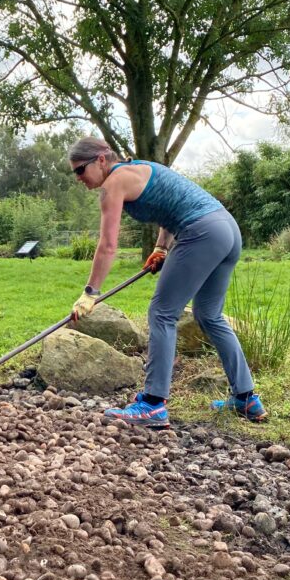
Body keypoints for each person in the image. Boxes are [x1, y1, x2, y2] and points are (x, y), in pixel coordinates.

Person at [67, 136, 267, 429]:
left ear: (100, 160)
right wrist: (161, 247)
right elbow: (169, 207)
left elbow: (108, 245)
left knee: (162, 313)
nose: (78, 179)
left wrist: (90, 293)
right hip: (227, 230)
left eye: (80, 171)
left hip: (201, 232)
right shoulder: (141, 168)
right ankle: (246, 398)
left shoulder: (113, 184)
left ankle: (152, 404)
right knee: (208, 315)